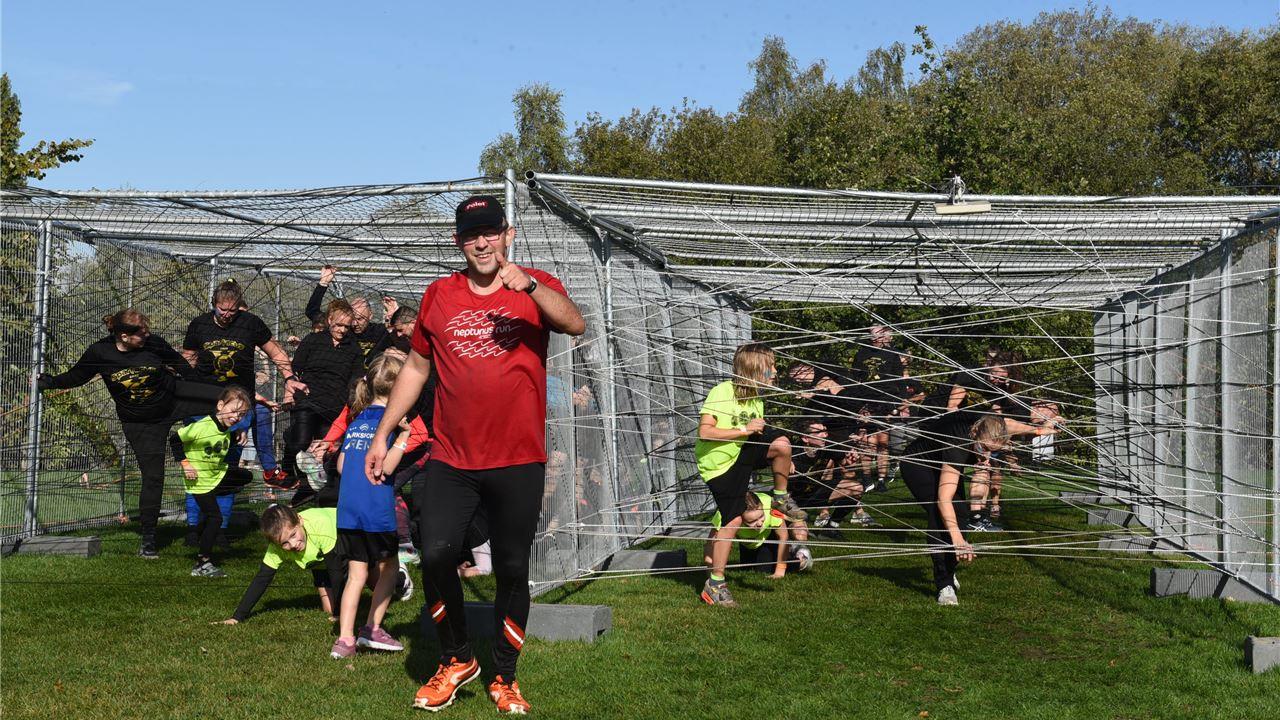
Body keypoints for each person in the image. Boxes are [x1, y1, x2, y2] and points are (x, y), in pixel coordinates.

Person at [364, 194, 585, 715]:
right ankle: (458, 658)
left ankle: (504, 675)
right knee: (437, 552)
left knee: (511, 567)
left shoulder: (534, 284)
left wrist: (529, 287)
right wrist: (382, 433)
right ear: (458, 241)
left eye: (490, 232)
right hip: (452, 456)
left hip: (518, 457)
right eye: (471, 235)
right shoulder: (439, 294)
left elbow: (575, 323)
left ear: (507, 234)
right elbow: (416, 368)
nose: (481, 243)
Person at [37, 308, 222, 558]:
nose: (147, 336)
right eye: (141, 334)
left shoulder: (154, 343)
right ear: (124, 336)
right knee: (153, 477)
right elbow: (76, 376)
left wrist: (207, 385)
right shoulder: (100, 352)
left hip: (173, 399)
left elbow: (182, 367)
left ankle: (245, 432)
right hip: (141, 424)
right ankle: (149, 538)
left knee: (229, 398)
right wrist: (49, 382)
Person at [900, 411, 1050, 605]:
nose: (986, 458)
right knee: (940, 517)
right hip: (918, 465)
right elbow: (944, 499)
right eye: (984, 448)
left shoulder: (992, 424)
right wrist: (958, 540)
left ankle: (949, 567)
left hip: (945, 463)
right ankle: (944, 584)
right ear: (974, 433)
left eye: (993, 452)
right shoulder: (957, 446)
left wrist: (1038, 430)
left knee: (961, 514)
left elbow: (1010, 424)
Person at [696, 342, 805, 609]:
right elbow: (705, 432)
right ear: (755, 368)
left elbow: (760, 437)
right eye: (771, 366)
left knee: (783, 445)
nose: (775, 372)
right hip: (720, 466)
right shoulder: (722, 392)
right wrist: (744, 430)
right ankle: (715, 584)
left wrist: (782, 458)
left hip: (741, 454)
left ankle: (780, 499)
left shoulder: (756, 399)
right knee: (732, 521)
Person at [329, 354, 421, 660]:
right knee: (390, 567)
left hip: (348, 512)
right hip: (376, 513)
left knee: (356, 575)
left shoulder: (356, 422)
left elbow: (341, 466)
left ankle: (344, 640)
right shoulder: (390, 424)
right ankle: (372, 628)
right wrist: (404, 436)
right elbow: (386, 467)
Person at [183, 279, 306, 489]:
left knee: (231, 455)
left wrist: (289, 378)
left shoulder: (251, 323)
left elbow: (276, 352)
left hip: (240, 401)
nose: (227, 315)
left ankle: (225, 499)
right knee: (204, 455)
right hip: (206, 399)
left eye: (232, 311)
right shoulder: (199, 324)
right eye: (222, 310)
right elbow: (188, 359)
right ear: (214, 304)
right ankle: (201, 498)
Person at [281, 299, 366, 500]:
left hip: (334, 407)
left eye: (346, 326)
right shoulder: (313, 340)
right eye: (338, 325)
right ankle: (289, 469)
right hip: (308, 400)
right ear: (329, 321)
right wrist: (289, 390)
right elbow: (295, 369)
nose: (342, 330)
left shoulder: (354, 348)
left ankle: (313, 491)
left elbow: (355, 379)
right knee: (301, 442)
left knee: (323, 452)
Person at [169, 385, 254, 577]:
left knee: (246, 476)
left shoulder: (227, 428)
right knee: (215, 518)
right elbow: (175, 439)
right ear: (220, 405)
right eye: (234, 411)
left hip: (216, 475)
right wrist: (186, 464)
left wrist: (237, 433)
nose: (236, 417)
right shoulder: (202, 426)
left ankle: (203, 526)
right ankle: (202, 563)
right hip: (199, 481)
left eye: (241, 415)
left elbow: (223, 437)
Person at [221, 504, 344, 624]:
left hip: (346, 540)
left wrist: (339, 614)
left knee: (345, 603)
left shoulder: (321, 527)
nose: (293, 544)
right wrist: (237, 617)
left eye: (293, 535)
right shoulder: (277, 547)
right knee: (329, 610)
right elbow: (261, 579)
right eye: (285, 543)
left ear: (300, 521)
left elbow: (336, 574)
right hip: (319, 561)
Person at [704, 491, 812, 578]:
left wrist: (780, 570)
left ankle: (800, 557)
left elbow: (783, 536)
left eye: (761, 516)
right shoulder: (726, 515)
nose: (759, 523)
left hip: (768, 537)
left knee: (764, 570)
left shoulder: (770, 505)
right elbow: (710, 545)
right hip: (748, 542)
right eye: (752, 521)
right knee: (747, 570)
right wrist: (711, 574)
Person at [304, 264, 391, 361]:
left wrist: (394, 315)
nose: (355, 324)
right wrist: (323, 283)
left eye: (360, 319)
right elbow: (312, 311)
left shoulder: (379, 331)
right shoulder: (342, 329)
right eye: (352, 319)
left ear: (370, 316)